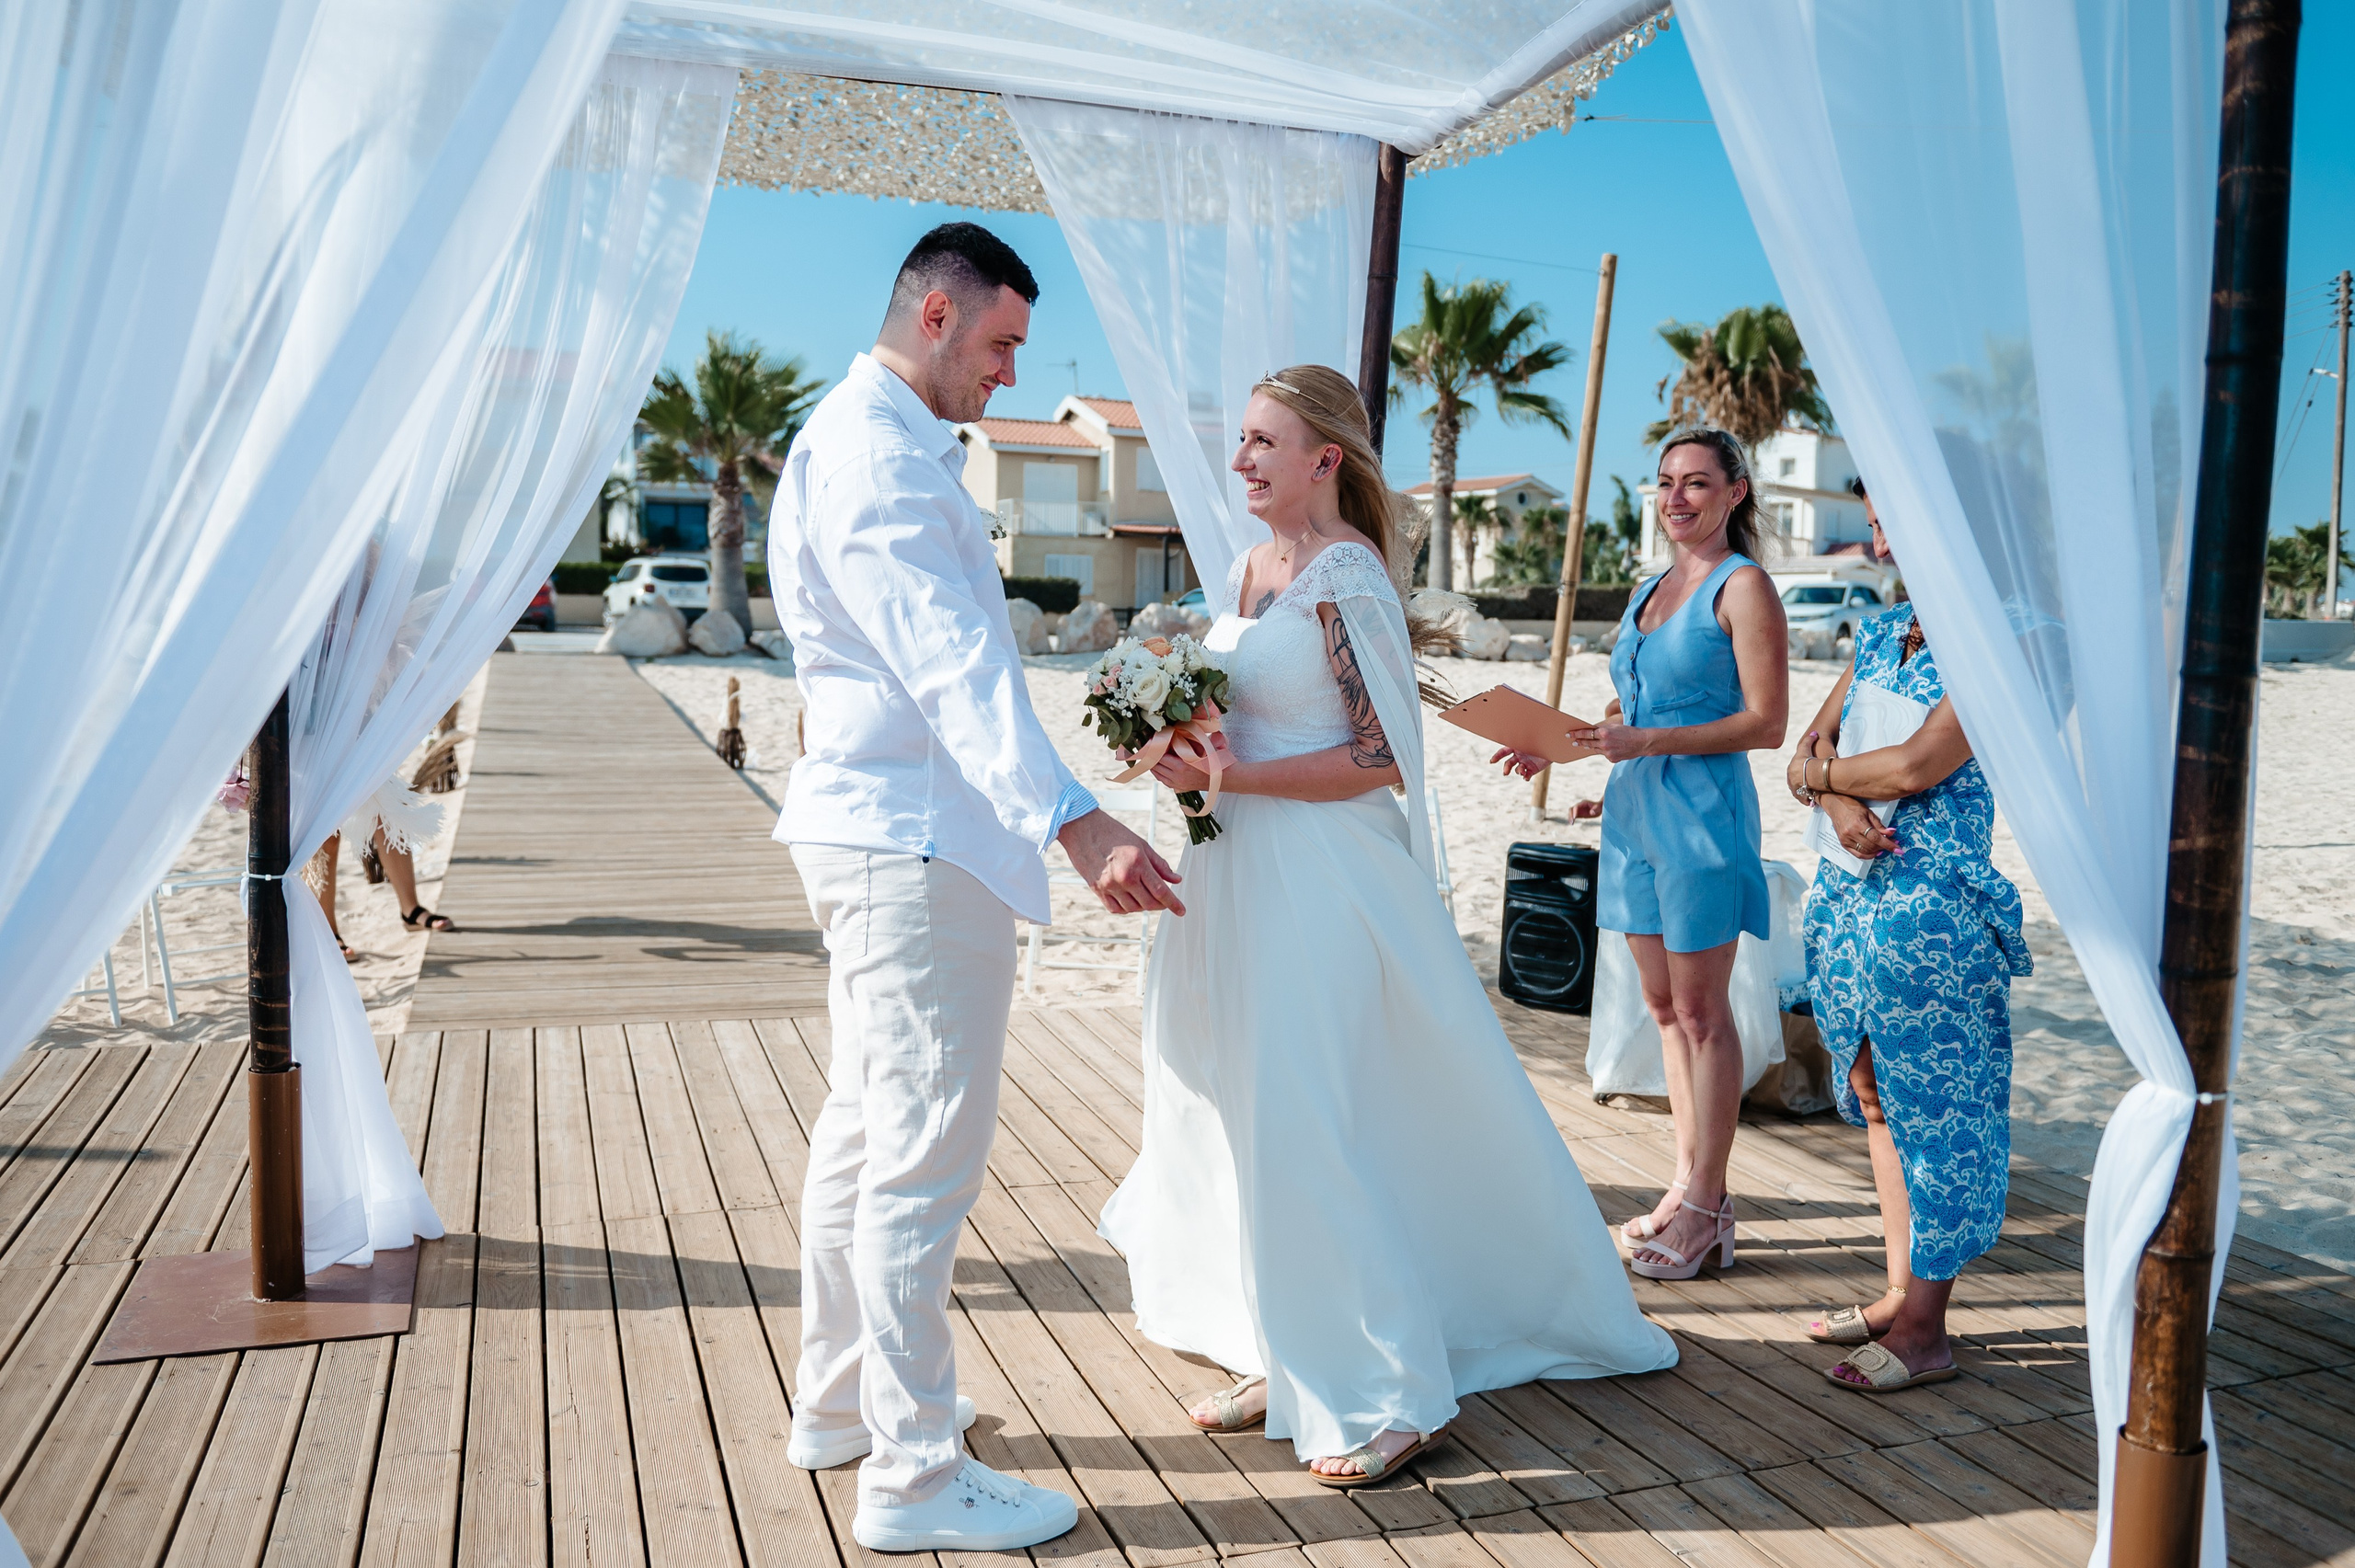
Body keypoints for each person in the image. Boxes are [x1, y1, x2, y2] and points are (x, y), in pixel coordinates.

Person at [1111, 365, 1677, 1489]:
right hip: (1230, 876)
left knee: (1310, 1118)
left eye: (1263, 441)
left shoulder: (1349, 576)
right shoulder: (1246, 569)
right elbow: (1234, 735)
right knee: (1234, 1111)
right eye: (1241, 444)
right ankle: (1278, 1342)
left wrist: (1239, 776)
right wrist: (1176, 761)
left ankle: (1388, 1390)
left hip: (1320, 884)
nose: (1242, 461)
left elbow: (1383, 758)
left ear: (1326, 456)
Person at [767, 223, 1179, 1555]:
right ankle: (913, 1474)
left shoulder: (848, 436)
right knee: (921, 1162)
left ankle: (840, 1405)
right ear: (936, 316)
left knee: (864, 1134)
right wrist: (1074, 820)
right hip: (914, 845)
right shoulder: (880, 459)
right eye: (1001, 344)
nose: (1011, 374)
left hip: (879, 830)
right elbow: (952, 665)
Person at [1786, 481, 2030, 1392]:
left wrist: (1822, 773)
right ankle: (1901, 1293)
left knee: (1939, 1108)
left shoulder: (2009, 633)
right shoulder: (1883, 631)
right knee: (1875, 1090)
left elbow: (1925, 758)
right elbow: (1807, 748)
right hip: (1849, 894)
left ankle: (1927, 1328)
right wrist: (1837, 791)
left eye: (1892, 509)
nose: (1879, 529)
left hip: (1932, 907)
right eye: (1873, 513)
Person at [1571, 429, 1787, 1282]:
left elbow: (1766, 722)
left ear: (1735, 492)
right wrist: (1572, 748)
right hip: (1633, 816)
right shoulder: (1649, 589)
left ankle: (1708, 1200)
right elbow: (1635, 702)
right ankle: (1690, 1185)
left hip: (1703, 820)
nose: (1677, 498)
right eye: (1665, 482)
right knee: (1662, 1011)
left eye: (1698, 482)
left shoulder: (1745, 587)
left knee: (1704, 1014)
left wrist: (1648, 739)